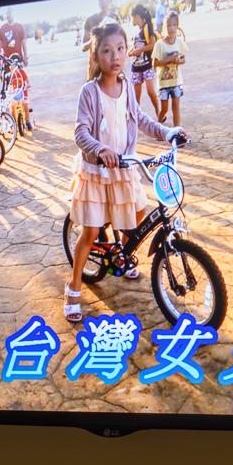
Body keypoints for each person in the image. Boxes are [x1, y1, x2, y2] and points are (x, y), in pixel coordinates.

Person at [64, 22, 184, 324]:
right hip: (97, 172)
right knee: (91, 232)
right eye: (106, 50)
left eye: (120, 49)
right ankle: (74, 287)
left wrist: (167, 132)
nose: (115, 56)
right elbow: (80, 132)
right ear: (96, 56)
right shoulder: (89, 92)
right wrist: (99, 149)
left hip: (124, 167)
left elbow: (140, 118)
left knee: (137, 212)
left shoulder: (127, 85)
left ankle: (122, 253)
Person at [152, 9, 187, 128]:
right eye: (169, 25)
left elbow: (183, 59)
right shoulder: (159, 44)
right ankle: (158, 127)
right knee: (164, 109)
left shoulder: (179, 42)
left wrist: (178, 61)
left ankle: (178, 132)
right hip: (163, 83)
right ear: (164, 26)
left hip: (176, 81)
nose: (171, 28)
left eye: (174, 25)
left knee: (176, 108)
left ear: (177, 26)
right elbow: (155, 63)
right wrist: (169, 59)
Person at [126, 3, 159, 113]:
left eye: (132, 17)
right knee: (136, 97)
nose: (131, 20)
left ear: (137, 16)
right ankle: (136, 117)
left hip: (147, 65)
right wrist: (131, 52)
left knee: (151, 92)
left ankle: (159, 112)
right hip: (136, 67)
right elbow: (136, 46)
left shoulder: (147, 27)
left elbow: (152, 44)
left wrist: (139, 50)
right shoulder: (136, 31)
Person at [6, 54, 32, 135]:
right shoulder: (10, 75)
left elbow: (27, 82)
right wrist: (8, 91)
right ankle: (14, 123)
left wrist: (27, 85)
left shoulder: (22, 72)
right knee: (12, 107)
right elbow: (8, 86)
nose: (13, 67)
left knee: (25, 105)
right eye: (11, 65)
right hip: (14, 93)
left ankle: (27, 121)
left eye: (15, 65)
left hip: (22, 91)